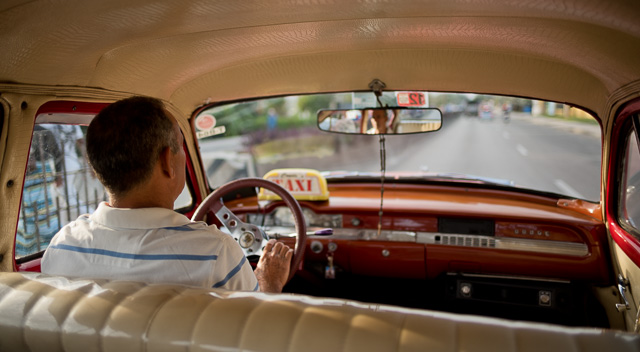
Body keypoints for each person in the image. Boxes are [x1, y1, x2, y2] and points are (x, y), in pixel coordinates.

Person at [41, 96, 292, 293]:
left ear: (96, 168)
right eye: (181, 146)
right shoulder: (215, 253)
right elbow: (254, 332)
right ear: (166, 161)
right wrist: (269, 281)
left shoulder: (62, 246)